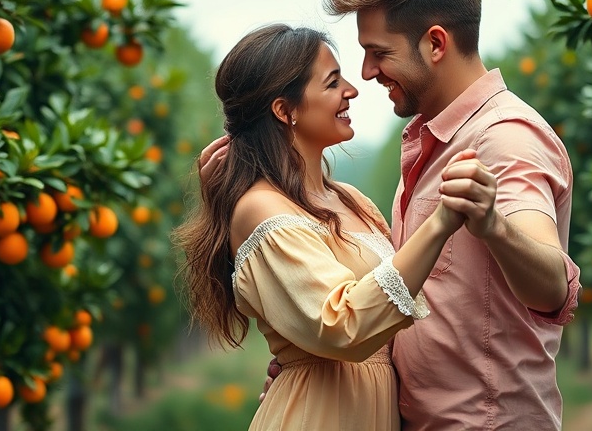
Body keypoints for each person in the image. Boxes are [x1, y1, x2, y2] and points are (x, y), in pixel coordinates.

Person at [201, 0, 582, 430]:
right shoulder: (431, 145)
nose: (364, 75)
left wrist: (493, 226)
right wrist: (308, 366)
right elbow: (348, 309)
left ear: (436, 44)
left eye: (379, 53)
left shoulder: (503, 139)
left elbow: (552, 288)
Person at [174, 23, 486, 430]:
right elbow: (343, 327)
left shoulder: (352, 200)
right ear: (285, 110)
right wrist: (441, 221)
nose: (351, 91)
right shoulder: (260, 210)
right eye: (332, 82)